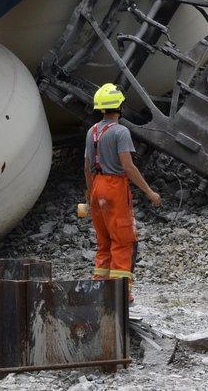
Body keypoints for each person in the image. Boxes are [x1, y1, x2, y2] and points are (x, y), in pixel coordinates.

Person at [83, 83, 161, 303]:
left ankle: (100, 290)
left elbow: (87, 166)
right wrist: (149, 191)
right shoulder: (120, 131)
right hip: (115, 186)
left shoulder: (93, 132)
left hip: (97, 186)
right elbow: (128, 167)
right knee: (123, 240)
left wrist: (90, 195)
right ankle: (121, 293)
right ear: (119, 106)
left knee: (104, 241)